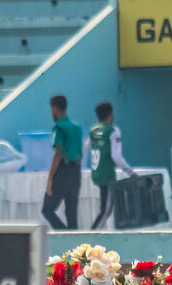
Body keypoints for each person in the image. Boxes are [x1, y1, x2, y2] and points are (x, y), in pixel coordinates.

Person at [84, 102, 136, 229]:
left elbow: (87, 145)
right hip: (107, 174)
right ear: (111, 115)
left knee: (107, 206)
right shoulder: (113, 131)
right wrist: (130, 172)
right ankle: (91, 236)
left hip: (96, 172)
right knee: (106, 210)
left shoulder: (94, 130)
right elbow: (116, 156)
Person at [42, 95, 83, 230]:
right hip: (76, 171)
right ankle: (74, 244)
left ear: (54, 108)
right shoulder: (77, 128)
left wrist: (50, 179)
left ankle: (63, 235)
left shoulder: (58, 128)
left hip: (63, 171)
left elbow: (58, 153)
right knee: (72, 215)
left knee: (47, 209)